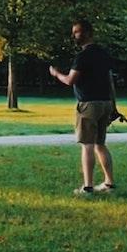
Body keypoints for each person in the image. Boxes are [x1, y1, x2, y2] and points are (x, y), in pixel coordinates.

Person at [49, 18, 116, 196]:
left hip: (88, 105)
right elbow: (110, 81)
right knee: (100, 144)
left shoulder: (83, 56)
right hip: (105, 103)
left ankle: (87, 187)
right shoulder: (103, 53)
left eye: (77, 32)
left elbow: (70, 80)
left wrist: (56, 74)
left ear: (87, 32)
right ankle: (109, 183)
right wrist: (114, 107)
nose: (74, 35)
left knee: (87, 145)